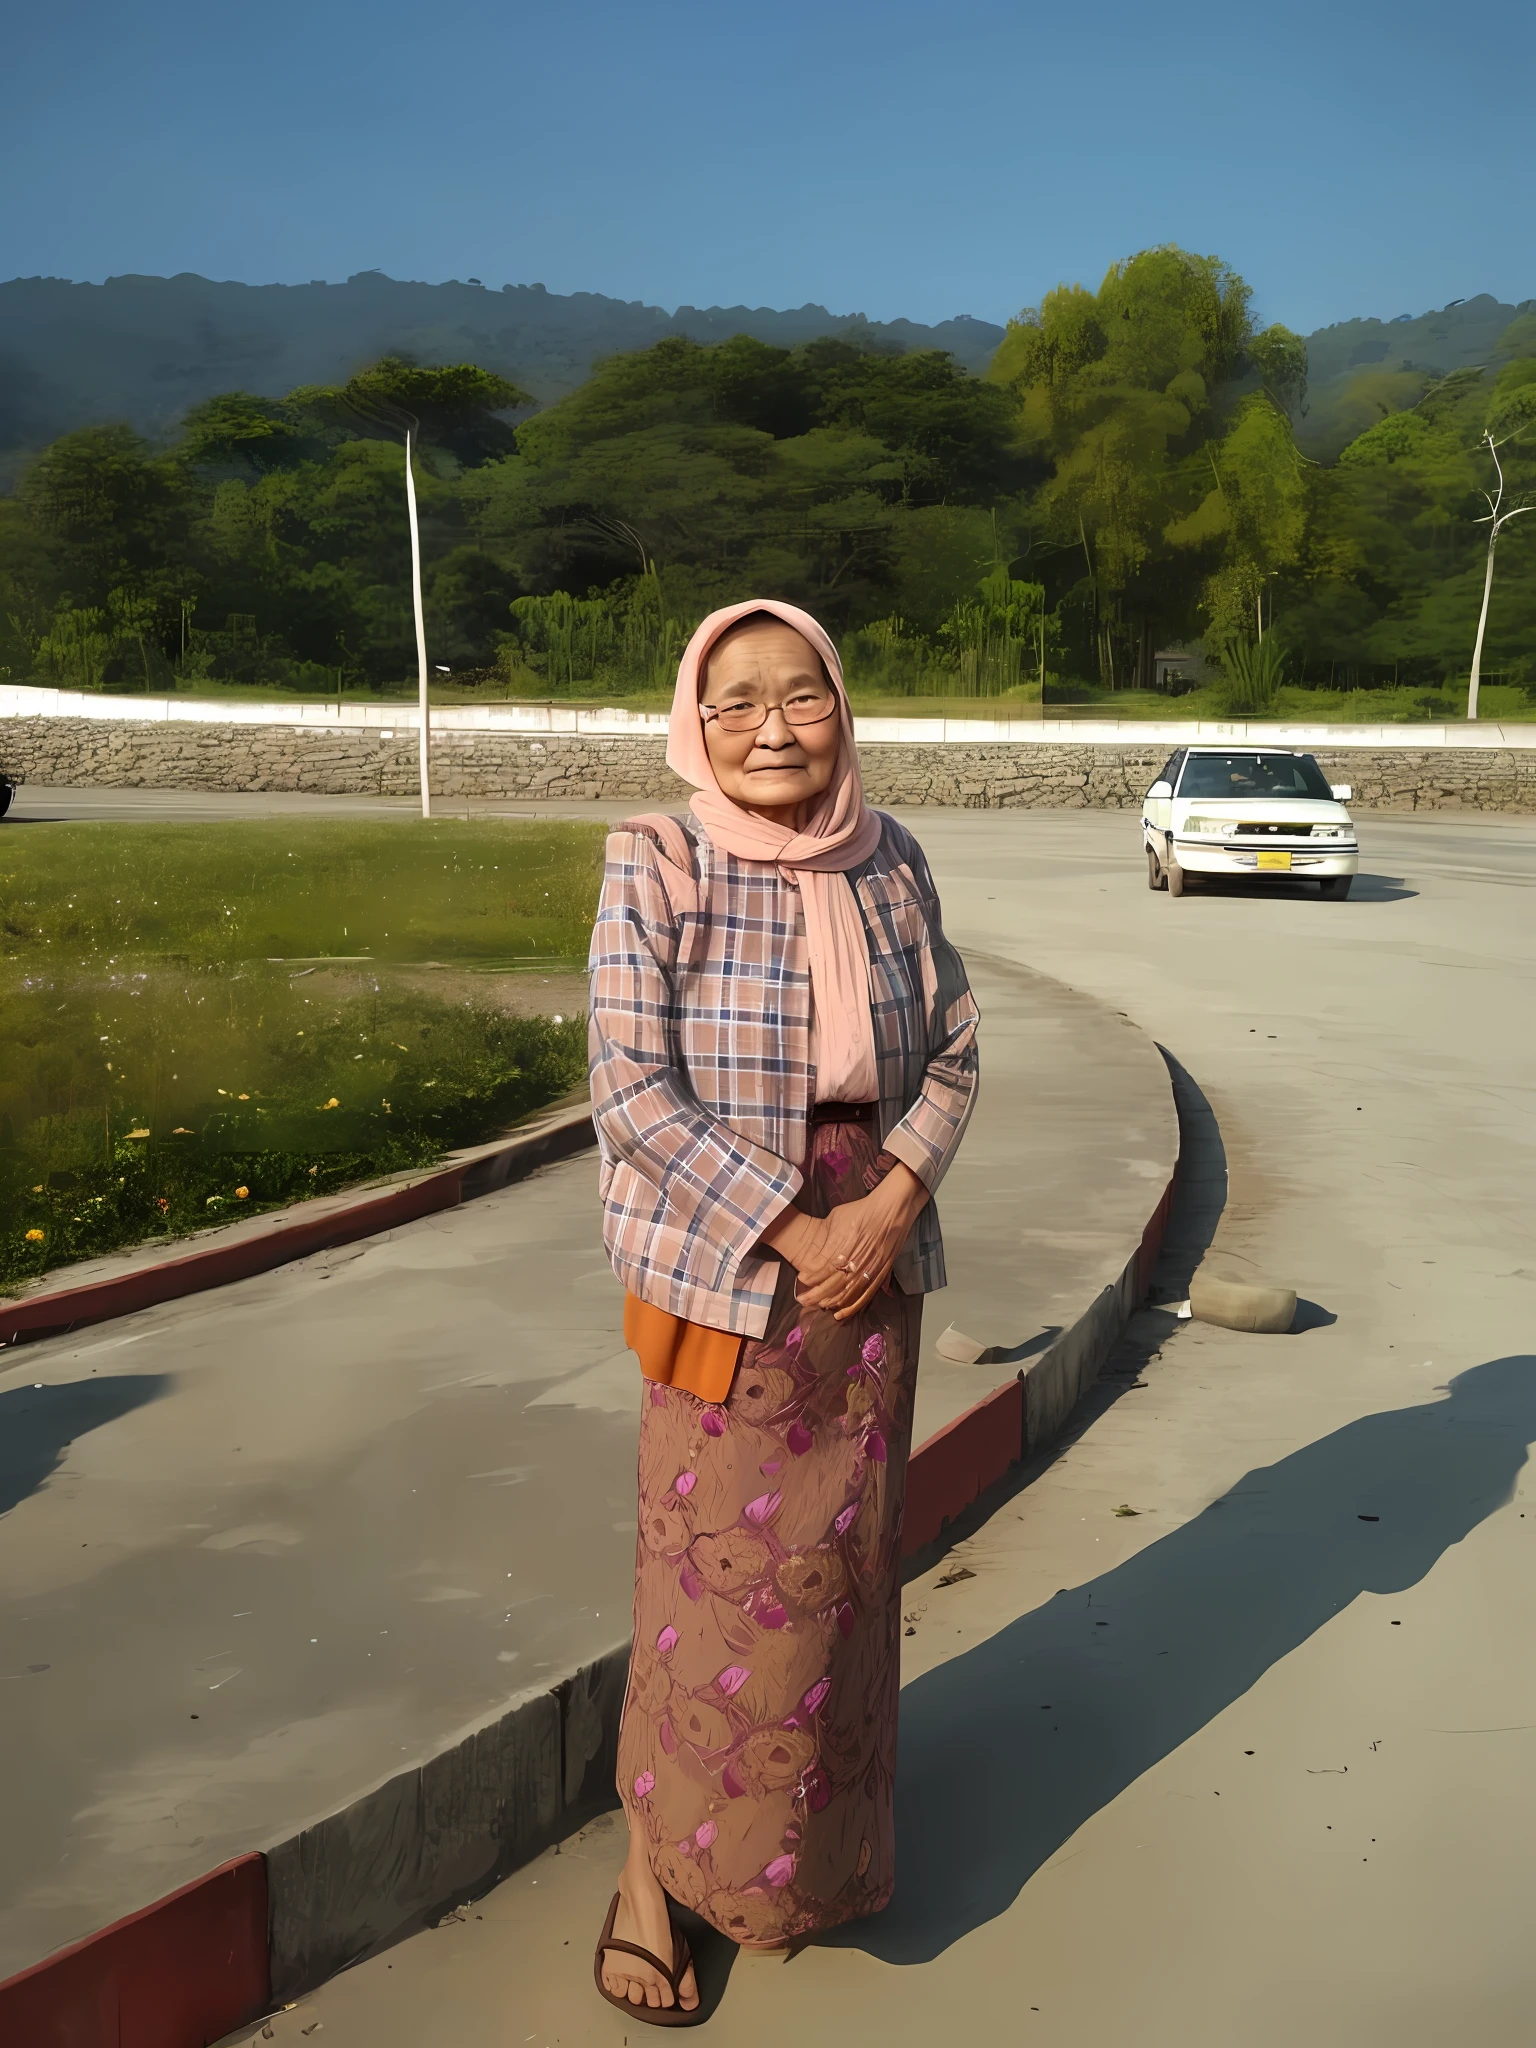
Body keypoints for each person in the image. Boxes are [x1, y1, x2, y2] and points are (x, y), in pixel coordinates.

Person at [588, 599, 979, 2022]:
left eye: (801, 694)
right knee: (705, 1581)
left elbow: (955, 1049)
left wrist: (884, 1208)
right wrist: (800, 1224)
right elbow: (632, 1092)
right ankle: (651, 1875)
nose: (772, 727)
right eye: (737, 699)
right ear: (695, 718)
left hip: (871, 1260)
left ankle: (797, 1865)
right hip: (724, 1260)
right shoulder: (659, 856)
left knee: (840, 1574)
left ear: (843, 705)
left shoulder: (894, 857)